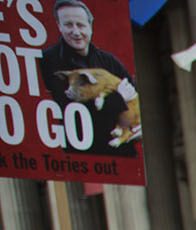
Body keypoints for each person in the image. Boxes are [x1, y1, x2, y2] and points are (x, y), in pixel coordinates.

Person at [38, 0, 139, 156]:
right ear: (59, 26)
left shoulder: (109, 61)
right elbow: (68, 103)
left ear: (90, 26)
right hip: (80, 158)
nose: (76, 32)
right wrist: (118, 98)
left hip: (120, 154)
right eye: (68, 25)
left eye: (80, 25)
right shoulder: (47, 60)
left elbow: (135, 99)